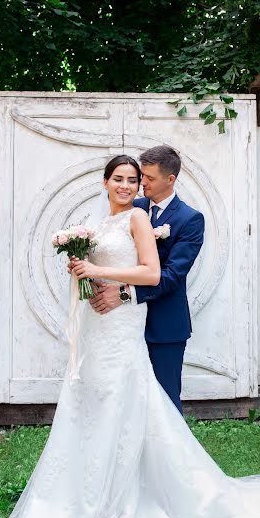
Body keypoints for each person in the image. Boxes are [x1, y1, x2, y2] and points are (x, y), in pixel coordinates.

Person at [0, 155, 260, 518]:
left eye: (142, 178)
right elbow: (107, 263)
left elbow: (165, 275)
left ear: (168, 179)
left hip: (151, 322)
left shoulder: (185, 219)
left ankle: (164, 496)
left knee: (158, 408)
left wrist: (118, 290)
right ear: (107, 182)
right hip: (106, 326)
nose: (135, 185)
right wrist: (86, 276)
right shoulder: (124, 213)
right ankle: (90, 493)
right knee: (108, 405)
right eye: (127, 178)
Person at [89, 145, 204, 414]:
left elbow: (172, 275)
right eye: (142, 176)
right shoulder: (133, 208)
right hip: (123, 326)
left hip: (164, 324)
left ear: (170, 179)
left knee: (164, 401)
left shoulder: (190, 219)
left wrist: (126, 294)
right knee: (126, 398)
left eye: (148, 178)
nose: (141, 183)